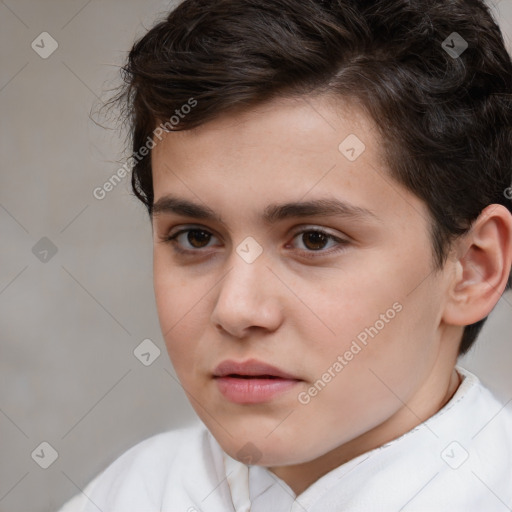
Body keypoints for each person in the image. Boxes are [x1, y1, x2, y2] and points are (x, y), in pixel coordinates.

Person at [57, 0, 512, 510]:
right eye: (196, 237)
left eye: (315, 239)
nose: (236, 309)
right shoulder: (131, 493)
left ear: (474, 268)